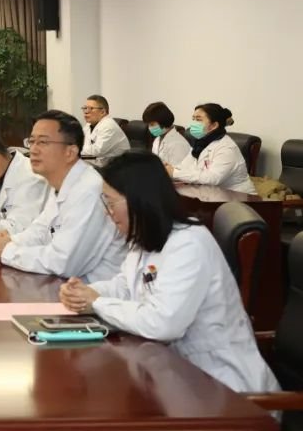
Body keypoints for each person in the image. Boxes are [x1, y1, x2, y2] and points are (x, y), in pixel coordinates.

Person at [60, 152, 278, 394]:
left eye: (110, 202)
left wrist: (97, 303)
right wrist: (86, 292)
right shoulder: (147, 236)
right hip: (178, 374)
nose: (106, 212)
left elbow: (163, 324)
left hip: (226, 389)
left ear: (138, 200)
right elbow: (126, 285)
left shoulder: (188, 244)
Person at [0, 110, 125, 283]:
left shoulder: (89, 190)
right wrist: (9, 241)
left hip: (96, 291)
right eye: (32, 141)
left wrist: (8, 251)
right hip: (65, 286)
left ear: (70, 152)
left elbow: (65, 262)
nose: (33, 150)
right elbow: (40, 231)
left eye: (43, 142)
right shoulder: (63, 183)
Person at [167, 103, 256, 195]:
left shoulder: (227, 148)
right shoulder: (199, 144)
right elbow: (184, 167)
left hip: (238, 197)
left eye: (198, 119)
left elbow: (213, 178)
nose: (193, 124)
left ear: (214, 125)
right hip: (211, 194)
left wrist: (174, 173)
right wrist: (168, 168)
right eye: (193, 119)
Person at [80, 95, 129, 162]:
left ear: (102, 112)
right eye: (85, 108)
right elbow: (79, 142)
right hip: (95, 161)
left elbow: (97, 151)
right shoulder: (89, 125)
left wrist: (74, 151)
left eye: (91, 108)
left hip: (114, 165)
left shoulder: (108, 126)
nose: (86, 112)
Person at [142, 101, 190, 166]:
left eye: (152, 124)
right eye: (148, 125)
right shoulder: (157, 139)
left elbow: (176, 171)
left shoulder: (179, 144)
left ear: (163, 121)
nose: (149, 128)